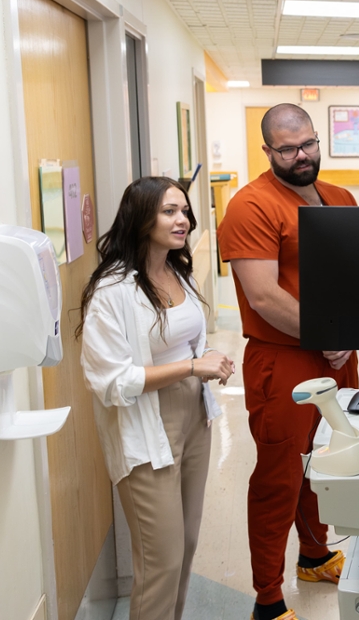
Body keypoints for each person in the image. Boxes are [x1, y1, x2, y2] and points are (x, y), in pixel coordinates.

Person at [217, 104, 359, 620]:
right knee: (280, 476)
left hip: (339, 353)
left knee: (329, 461)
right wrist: (329, 332)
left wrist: (350, 333)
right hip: (285, 360)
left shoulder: (340, 198)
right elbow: (264, 297)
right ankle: (267, 599)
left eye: (309, 144)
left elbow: (354, 272)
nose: (302, 156)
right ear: (267, 150)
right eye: (288, 148)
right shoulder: (251, 206)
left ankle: (316, 555)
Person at [78, 177, 235, 620]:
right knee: (159, 560)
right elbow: (110, 381)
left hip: (194, 417)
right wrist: (190, 367)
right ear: (141, 217)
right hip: (147, 426)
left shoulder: (176, 270)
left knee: (184, 546)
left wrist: (206, 359)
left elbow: (184, 343)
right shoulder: (112, 291)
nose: (182, 219)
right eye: (169, 211)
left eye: (184, 210)